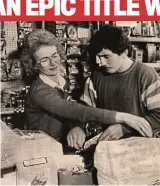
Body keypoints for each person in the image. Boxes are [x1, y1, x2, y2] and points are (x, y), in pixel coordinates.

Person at [21, 29, 153, 149]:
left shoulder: (62, 82)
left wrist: (76, 127)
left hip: (62, 150)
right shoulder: (39, 91)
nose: (53, 63)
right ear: (34, 64)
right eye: (44, 60)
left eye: (54, 55)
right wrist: (123, 117)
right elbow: (74, 110)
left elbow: (69, 113)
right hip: (42, 152)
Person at [82, 25, 160, 141]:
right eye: (98, 57)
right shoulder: (96, 76)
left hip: (141, 147)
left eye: (106, 56)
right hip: (107, 147)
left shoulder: (145, 75)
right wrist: (78, 127)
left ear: (124, 52)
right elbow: (84, 109)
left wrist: (124, 129)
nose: (101, 63)